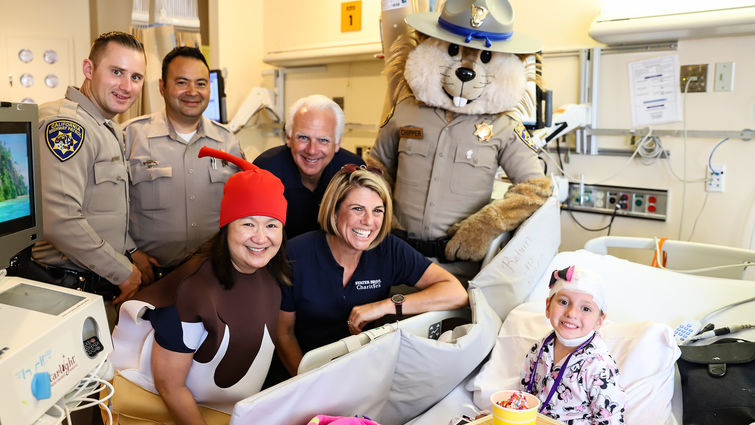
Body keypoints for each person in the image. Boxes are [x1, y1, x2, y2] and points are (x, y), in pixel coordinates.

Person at [109, 147, 290, 424]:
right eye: (248, 224)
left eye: (271, 226)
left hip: (226, 410)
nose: (261, 238)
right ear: (227, 227)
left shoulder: (273, 275)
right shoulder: (194, 289)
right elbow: (169, 386)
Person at [276, 165, 469, 376]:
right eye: (357, 209)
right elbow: (283, 334)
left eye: (377, 210)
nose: (369, 221)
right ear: (334, 209)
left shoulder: (388, 249)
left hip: (362, 370)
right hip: (301, 372)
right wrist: (305, 387)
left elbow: (456, 293)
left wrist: (385, 306)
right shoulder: (295, 254)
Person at [11, 32, 146, 315]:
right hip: (68, 290)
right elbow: (59, 219)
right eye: (117, 72)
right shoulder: (68, 125)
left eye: (136, 77)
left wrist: (130, 251)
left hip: (96, 285)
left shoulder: (105, 125)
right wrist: (122, 271)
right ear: (89, 69)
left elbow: (104, 206)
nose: (126, 86)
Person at [124, 46, 241, 283]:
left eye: (201, 83)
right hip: (151, 277)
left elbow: (240, 207)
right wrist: (131, 252)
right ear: (162, 86)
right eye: (181, 82)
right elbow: (107, 208)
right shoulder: (129, 137)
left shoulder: (228, 141)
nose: (192, 92)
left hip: (213, 275)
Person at [520, 266, 625, 424]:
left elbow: (611, 420)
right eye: (563, 302)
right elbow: (524, 394)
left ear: (599, 321)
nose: (571, 314)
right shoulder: (540, 348)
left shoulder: (599, 367)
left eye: (586, 308)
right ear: (548, 307)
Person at [254, 94, 364, 239]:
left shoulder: (353, 172)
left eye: (323, 140)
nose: (312, 150)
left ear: (337, 143)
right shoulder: (264, 170)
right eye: (303, 138)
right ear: (288, 137)